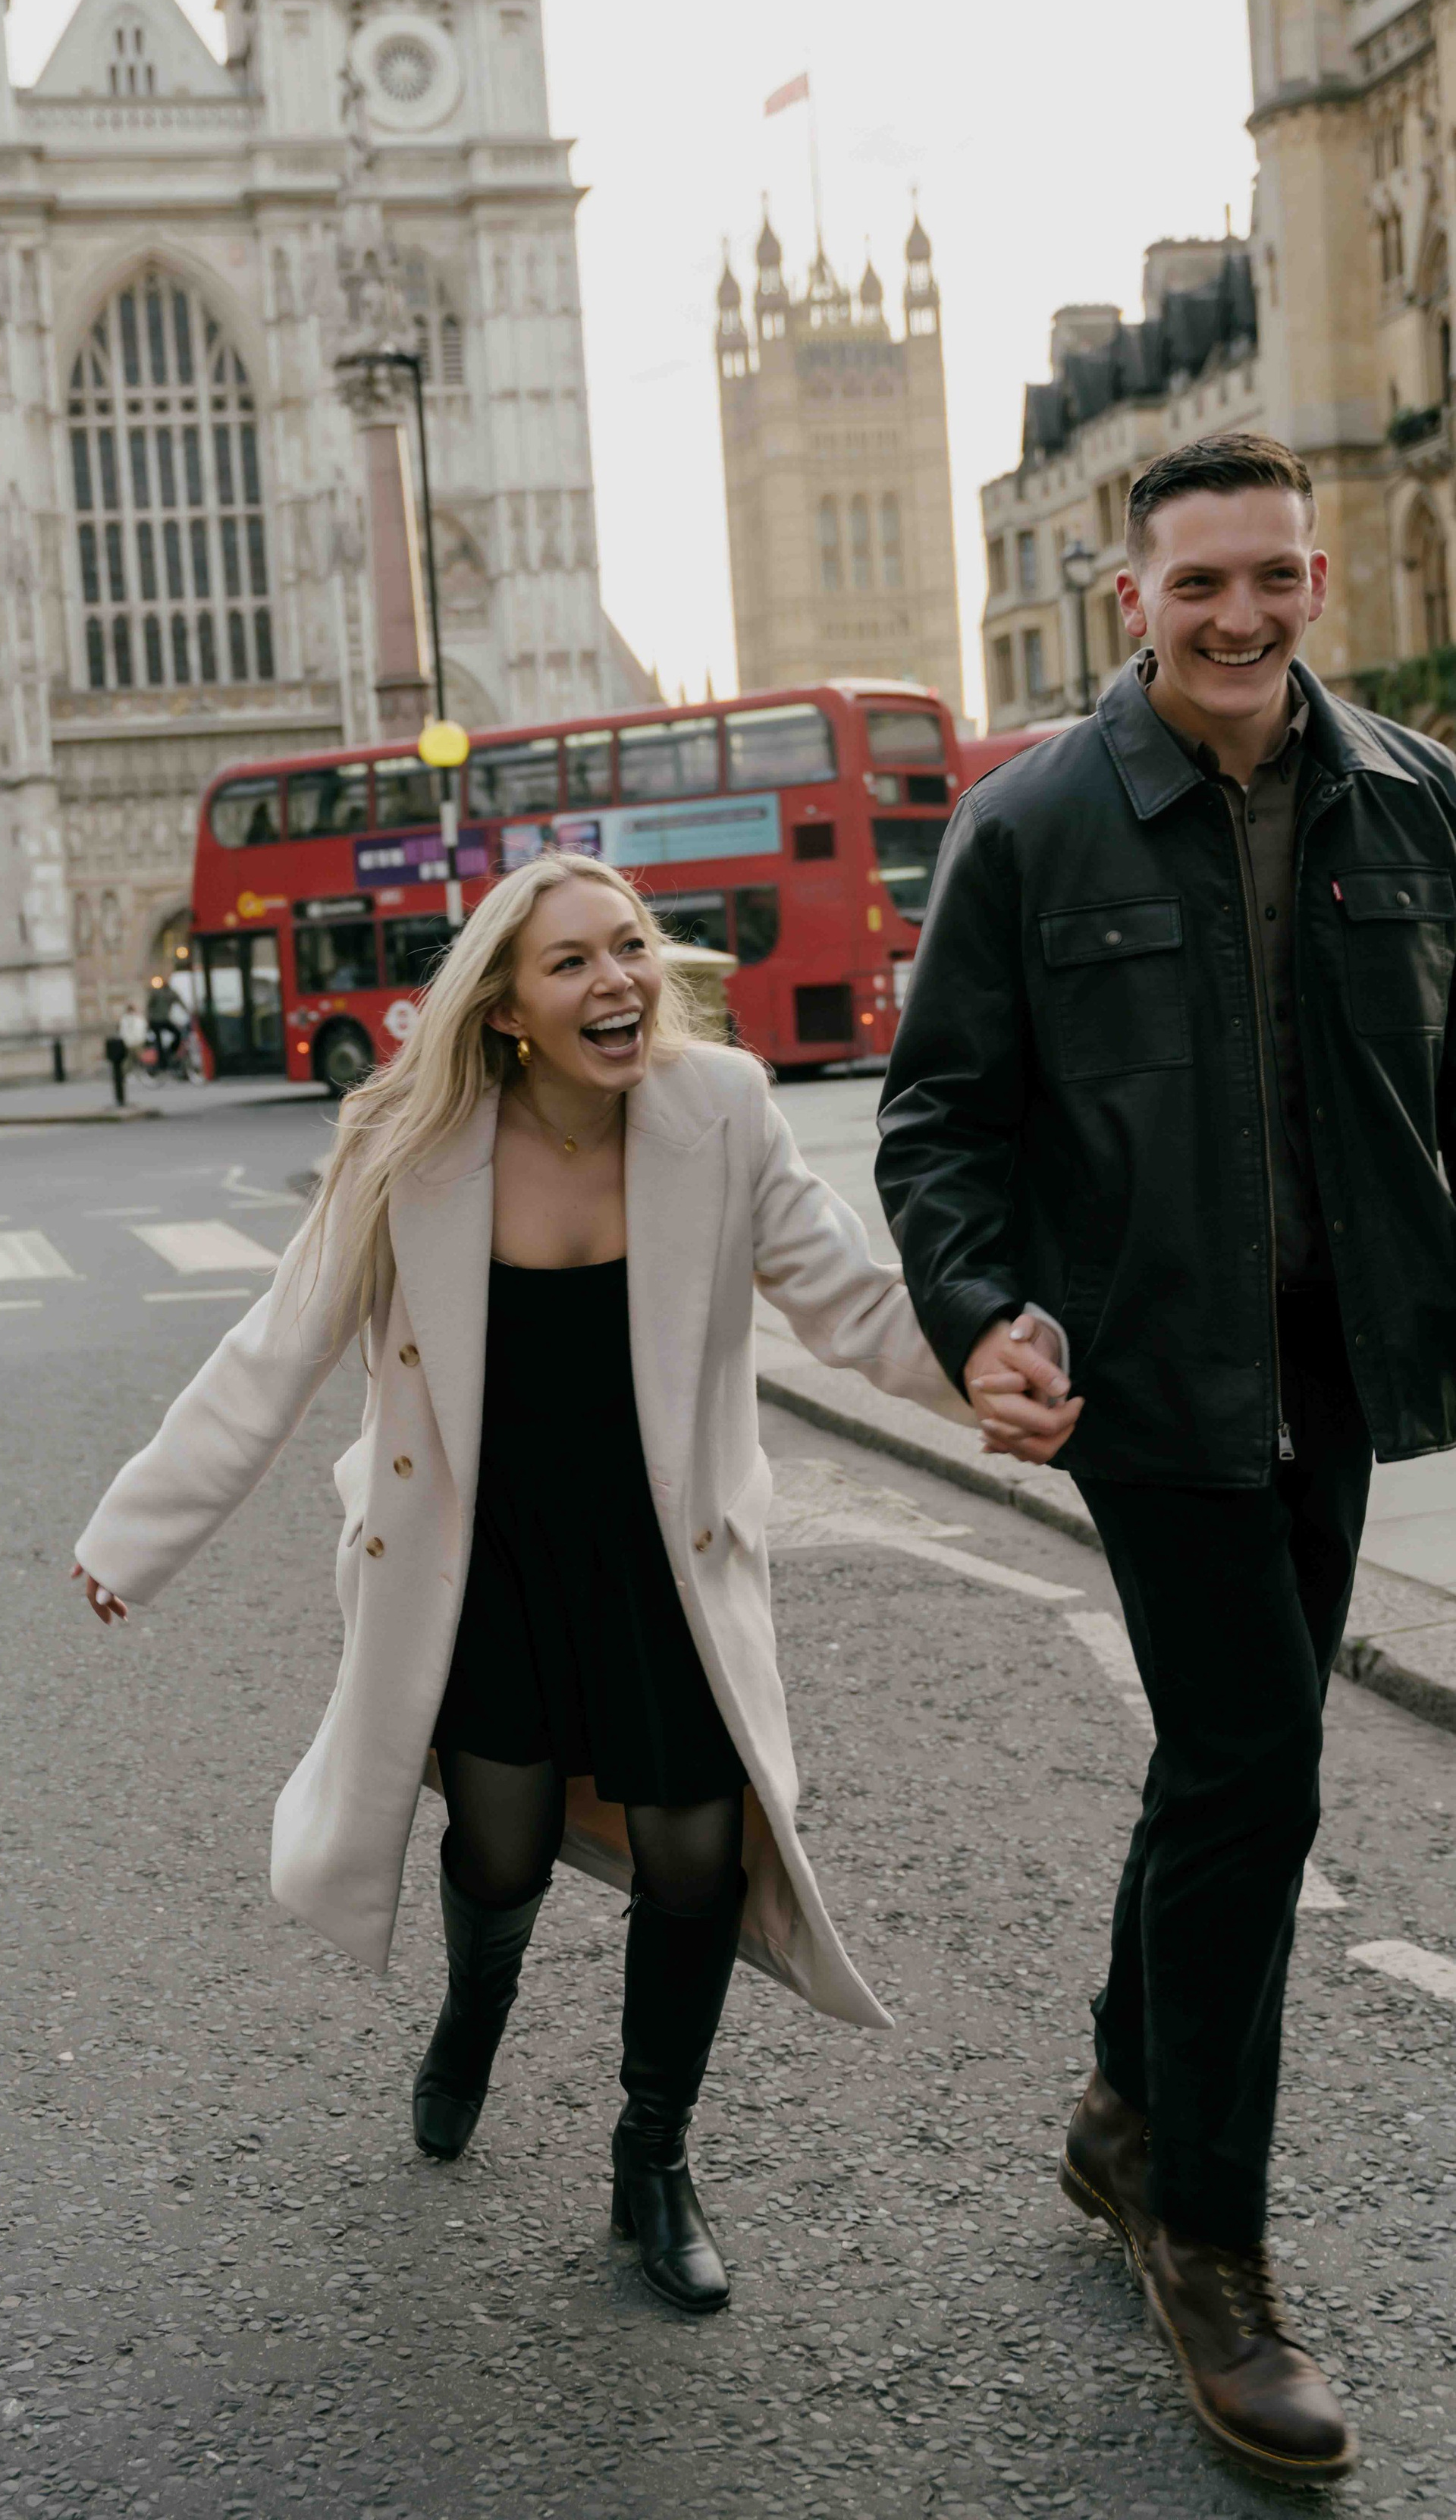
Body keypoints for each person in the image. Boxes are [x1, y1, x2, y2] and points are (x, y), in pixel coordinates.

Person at [72, 853, 1068, 2314]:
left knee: (695, 1854)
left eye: (630, 950)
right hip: (482, 1568)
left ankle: (651, 2158)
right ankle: (474, 2013)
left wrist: (983, 1367)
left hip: (663, 1559)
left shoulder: (717, 1110)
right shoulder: (407, 1150)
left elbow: (848, 1300)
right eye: (573, 964)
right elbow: (274, 1351)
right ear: (505, 1013)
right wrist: (134, 1536)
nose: (619, 983)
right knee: (502, 1846)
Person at [877, 431, 1456, 2481]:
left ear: (1318, 581)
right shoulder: (1034, 823)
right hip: (1147, 1374)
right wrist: (981, 1320)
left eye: (1275, 579)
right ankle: (1209, 2240)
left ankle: (1126, 2109)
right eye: (1199, 584)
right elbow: (940, 1121)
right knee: (1261, 1769)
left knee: (1232, 1760)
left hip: (1342, 1363)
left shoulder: (1412, 795)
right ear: (1132, 596)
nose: (1240, 618)